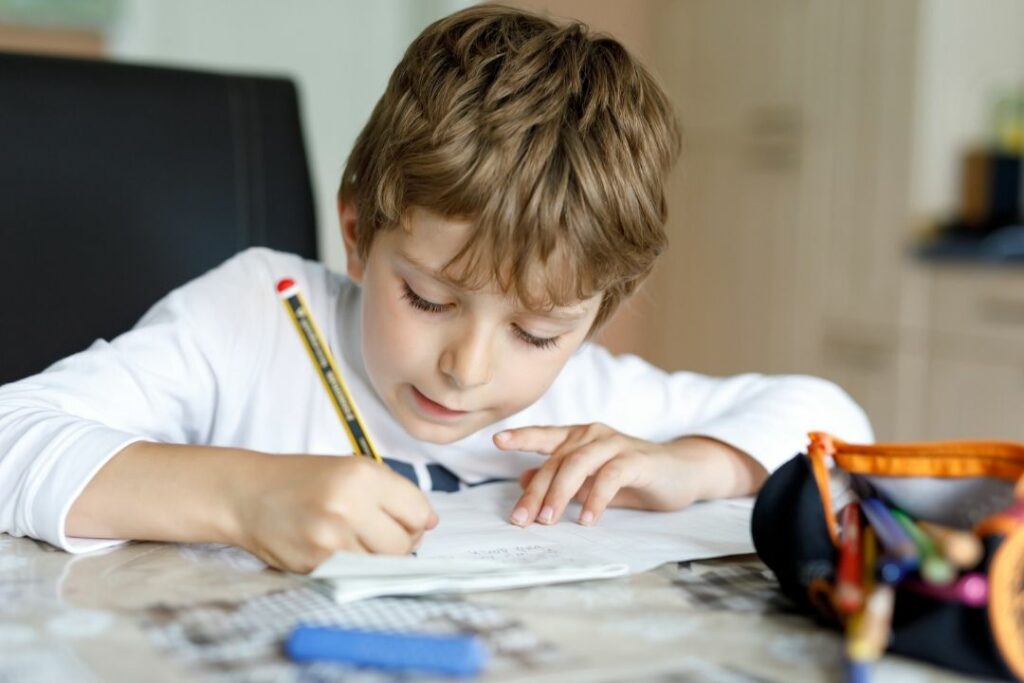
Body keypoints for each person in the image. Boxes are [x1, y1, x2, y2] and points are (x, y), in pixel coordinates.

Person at [0, 5, 871, 574]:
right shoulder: (254, 317)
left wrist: (690, 465)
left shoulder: (580, 398)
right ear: (357, 233)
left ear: (596, 315)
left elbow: (832, 419)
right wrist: (246, 493)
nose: (467, 367)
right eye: (426, 298)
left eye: (536, 333)